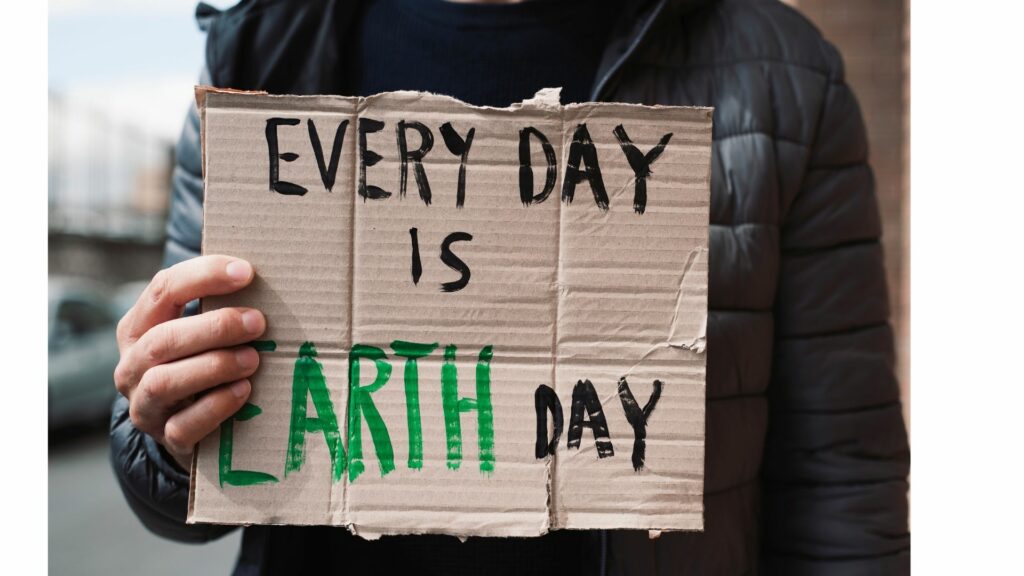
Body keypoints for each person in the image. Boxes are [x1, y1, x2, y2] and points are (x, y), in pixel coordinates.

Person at [109, 0, 910, 574]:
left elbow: (842, 483)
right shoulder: (256, 56)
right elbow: (174, 493)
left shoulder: (783, 78)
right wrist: (165, 429)